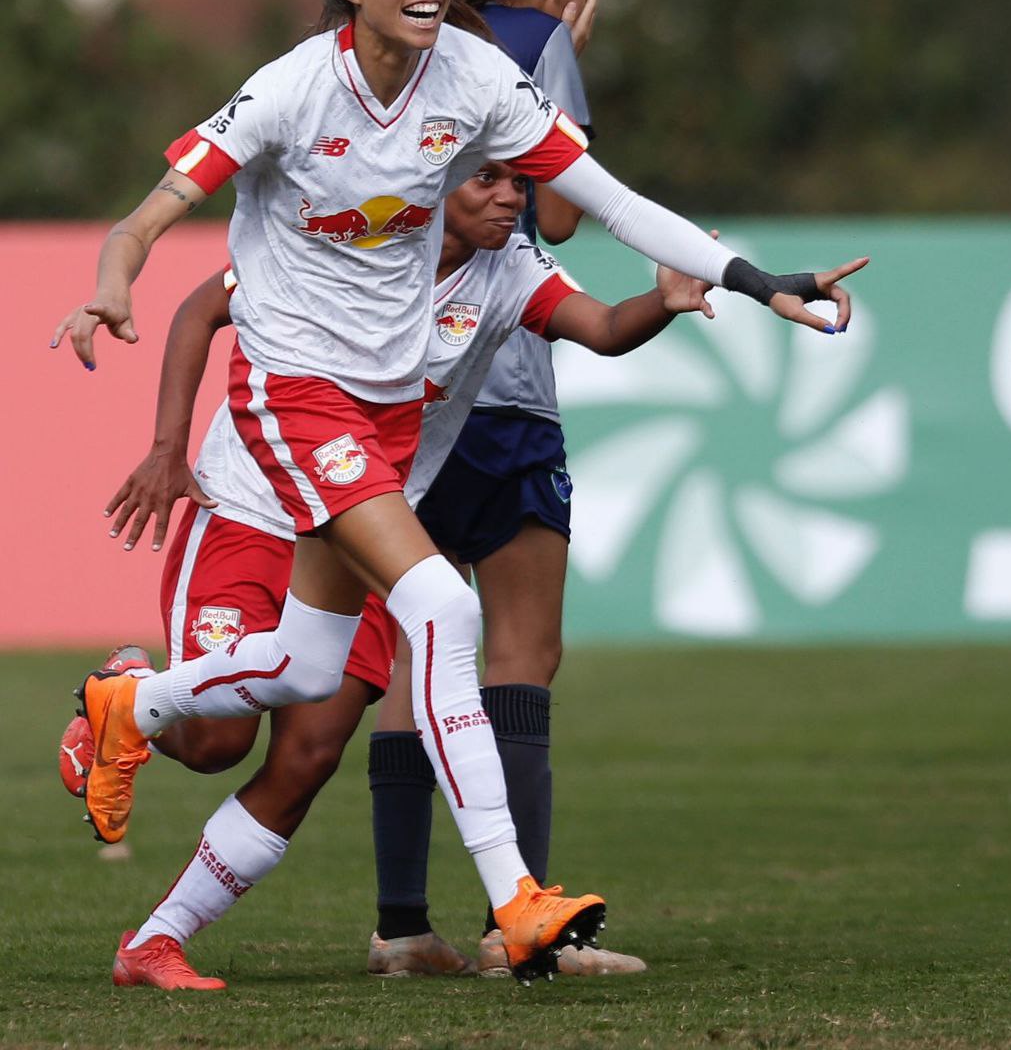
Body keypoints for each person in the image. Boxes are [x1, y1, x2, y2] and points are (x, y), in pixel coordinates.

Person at [57, 0, 865, 984]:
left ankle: (137, 746)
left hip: (381, 422)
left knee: (297, 676)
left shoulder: (479, 82)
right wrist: (111, 277)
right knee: (441, 603)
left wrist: (754, 277)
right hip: (293, 400)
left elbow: (612, 199)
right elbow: (154, 210)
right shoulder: (293, 88)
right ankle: (517, 898)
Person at [56, 159, 725, 989]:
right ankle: (132, 692)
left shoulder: (510, 269)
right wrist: (167, 448)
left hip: (361, 529)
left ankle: (153, 940)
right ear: (433, 182)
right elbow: (203, 306)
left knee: (307, 756)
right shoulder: (352, 234)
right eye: (485, 180)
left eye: (519, 183)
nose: (510, 198)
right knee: (218, 742)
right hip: (249, 508)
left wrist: (664, 299)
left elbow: (605, 326)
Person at [368, 0, 620, 977]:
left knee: (420, 654)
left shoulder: (401, 45)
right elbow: (558, 213)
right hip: (502, 381)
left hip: (391, 390)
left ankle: (401, 925)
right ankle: (522, 928)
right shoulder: (537, 43)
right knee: (521, 650)